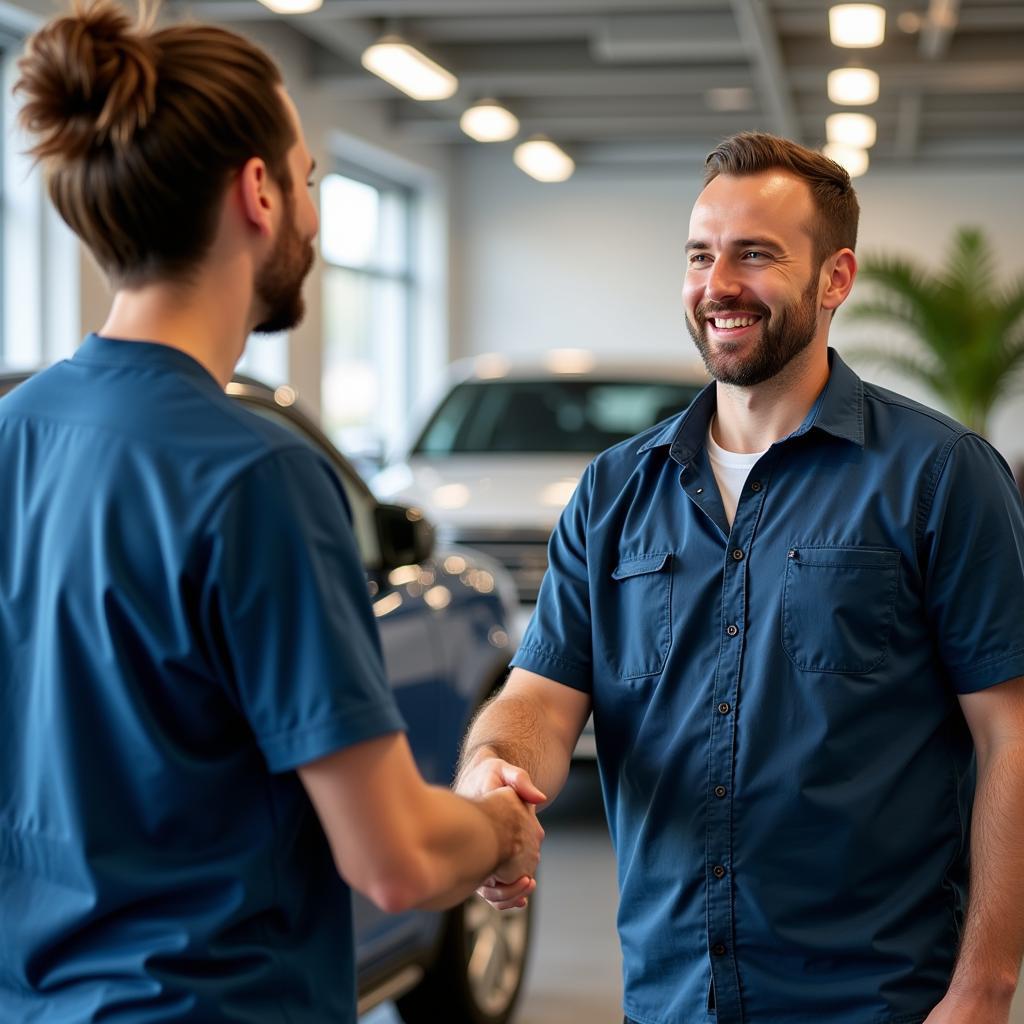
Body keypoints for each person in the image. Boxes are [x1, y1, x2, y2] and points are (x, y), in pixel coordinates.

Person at [0, 2, 542, 1021]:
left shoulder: (13, 434)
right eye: (310, 181)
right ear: (257, 192)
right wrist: (497, 829)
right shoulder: (257, 477)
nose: (312, 213)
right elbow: (395, 858)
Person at [455, 132, 1024, 1024]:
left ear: (836, 279)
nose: (717, 284)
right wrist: (494, 768)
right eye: (699, 255)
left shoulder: (941, 476)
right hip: (673, 996)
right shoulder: (613, 493)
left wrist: (984, 988)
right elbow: (539, 695)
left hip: (877, 999)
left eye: (754, 254)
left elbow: (1011, 736)